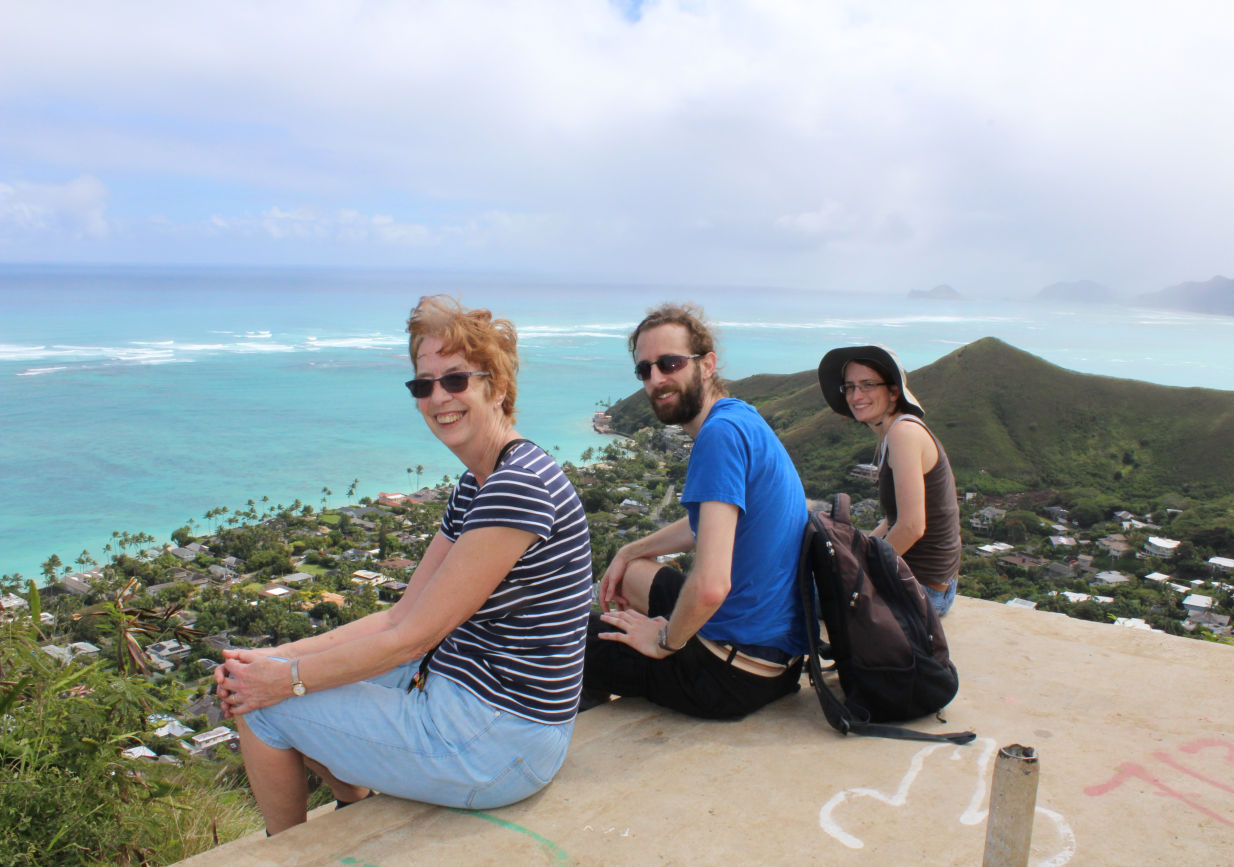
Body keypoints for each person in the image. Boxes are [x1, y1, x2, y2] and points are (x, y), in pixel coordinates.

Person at [215, 296, 592, 835]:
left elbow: (411, 639)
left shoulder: (517, 487)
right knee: (276, 681)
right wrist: (270, 659)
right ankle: (354, 807)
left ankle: (287, 852)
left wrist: (280, 683)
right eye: (424, 384)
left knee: (262, 709)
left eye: (456, 380)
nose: (439, 397)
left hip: (500, 741)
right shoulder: (479, 483)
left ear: (498, 387)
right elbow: (399, 616)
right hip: (478, 706)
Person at [583, 303, 807, 719]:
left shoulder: (718, 436)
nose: (656, 379)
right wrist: (630, 550)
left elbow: (710, 586)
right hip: (777, 657)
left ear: (707, 365)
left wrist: (664, 640)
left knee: (562, 639)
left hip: (730, 675)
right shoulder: (740, 417)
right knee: (629, 573)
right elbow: (709, 523)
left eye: (670, 363)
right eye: (645, 370)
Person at [817, 345, 960, 615]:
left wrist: (861, 577)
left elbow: (912, 526)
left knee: (797, 600)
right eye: (849, 387)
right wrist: (858, 553)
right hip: (930, 584)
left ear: (894, 391)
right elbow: (894, 519)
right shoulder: (893, 432)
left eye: (867, 385)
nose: (856, 395)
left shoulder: (903, 433)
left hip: (923, 590)